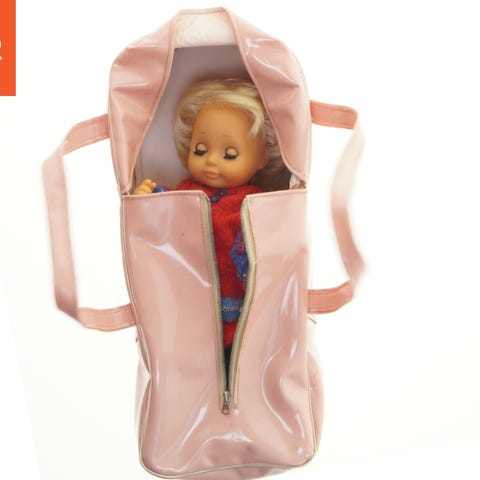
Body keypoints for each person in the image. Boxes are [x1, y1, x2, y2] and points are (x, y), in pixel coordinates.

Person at [133, 79, 284, 373]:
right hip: (186, 310)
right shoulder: (184, 193)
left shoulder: (254, 203)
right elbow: (161, 228)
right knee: (190, 370)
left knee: (237, 368)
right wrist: (147, 204)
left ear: (262, 157)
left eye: (230, 154)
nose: (212, 161)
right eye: (200, 149)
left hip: (239, 314)